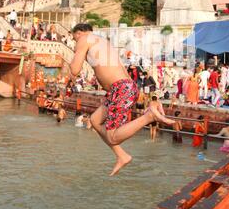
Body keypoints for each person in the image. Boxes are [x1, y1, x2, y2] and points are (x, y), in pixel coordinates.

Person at [69, 23, 175, 176]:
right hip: (122, 88)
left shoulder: (83, 39)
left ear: (78, 33)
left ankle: (149, 116)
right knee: (95, 120)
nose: (74, 42)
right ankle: (122, 156)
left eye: (73, 38)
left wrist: (71, 61)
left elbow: (75, 69)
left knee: (112, 137)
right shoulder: (101, 41)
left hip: (120, 88)